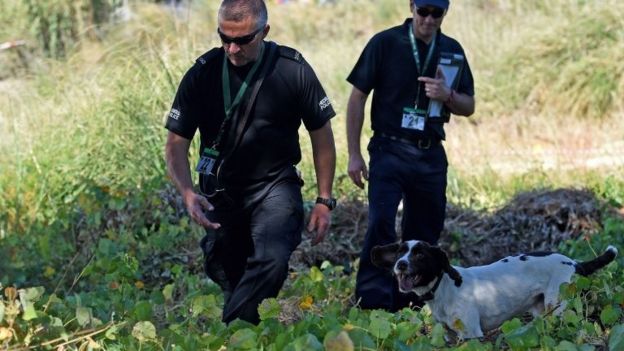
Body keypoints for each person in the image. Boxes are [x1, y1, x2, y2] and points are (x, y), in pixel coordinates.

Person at [164, 0, 337, 324]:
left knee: (271, 259)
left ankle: (231, 331)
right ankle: (248, 330)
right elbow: (176, 143)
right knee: (227, 267)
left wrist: (324, 200)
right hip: (220, 190)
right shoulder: (202, 73)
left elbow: (322, 134)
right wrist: (187, 191)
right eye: (224, 37)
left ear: (264, 31)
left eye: (243, 40)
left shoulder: (292, 68)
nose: (232, 48)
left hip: (275, 185)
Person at [346, 0, 475, 311]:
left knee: (425, 230)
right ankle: (374, 302)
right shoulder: (385, 43)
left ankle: (413, 303)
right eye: (423, 12)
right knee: (381, 224)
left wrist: (448, 97)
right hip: (389, 148)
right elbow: (357, 98)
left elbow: (469, 106)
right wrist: (353, 154)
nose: (429, 20)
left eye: (437, 13)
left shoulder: (452, 50)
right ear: (411, 7)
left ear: (446, 12)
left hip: (429, 153)